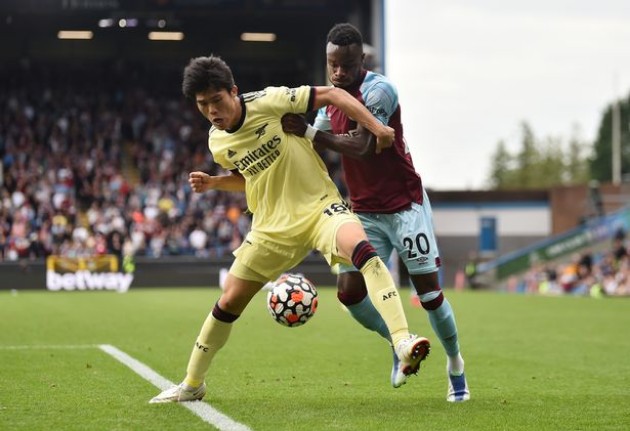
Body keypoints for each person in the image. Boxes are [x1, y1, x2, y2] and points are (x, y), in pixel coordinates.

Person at [149, 55, 431, 403]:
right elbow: (250, 178)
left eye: (216, 100)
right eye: (202, 104)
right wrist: (214, 183)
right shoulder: (218, 143)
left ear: (234, 92)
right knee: (228, 302)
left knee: (363, 251)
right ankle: (193, 384)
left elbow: (332, 94)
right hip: (271, 228)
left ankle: (402, 340)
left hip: (319, 209)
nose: (211, 110)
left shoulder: (270, 101)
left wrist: (376, 126)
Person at [281, 23, 469, 402]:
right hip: (364, 210)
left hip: (404, 205)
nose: (338, 72)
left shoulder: (379, 90)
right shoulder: (331, 97)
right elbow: (315, 146)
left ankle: (455, 366)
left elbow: (363, 144)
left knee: (429, 295)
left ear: (361, 60)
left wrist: (311, 134)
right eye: (332, 64)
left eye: (346, 65)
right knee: (349, 294)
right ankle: (400, 343)